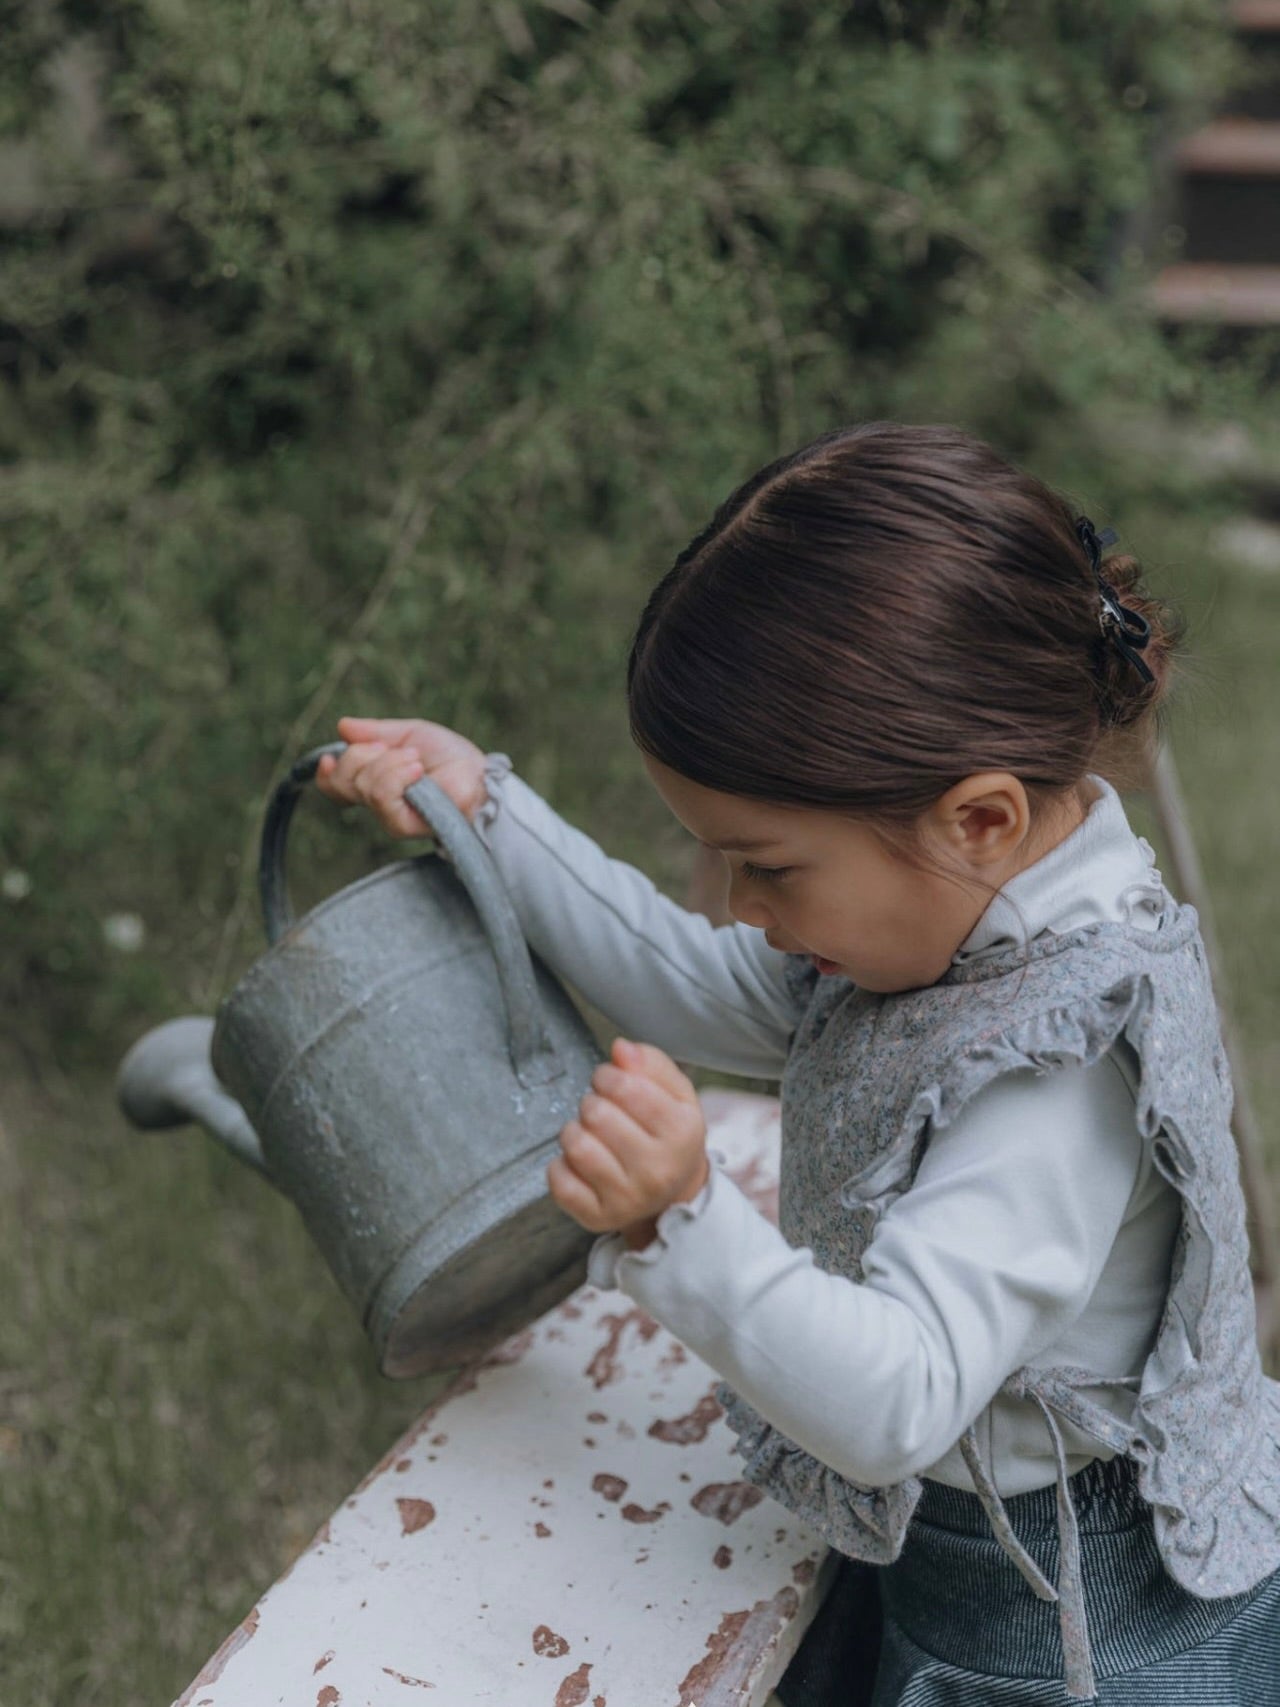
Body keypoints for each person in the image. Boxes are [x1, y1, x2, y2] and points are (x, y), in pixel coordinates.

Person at [314, 420, 1280, 1704]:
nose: (731, 902)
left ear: (976, 818)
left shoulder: (1056, 1071)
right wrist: (489, 818)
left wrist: (681, 1223)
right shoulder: (955, 919)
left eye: (765, 866)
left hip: (1058, 1629)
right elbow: (695, 982)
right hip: (954, 1549)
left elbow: (899, 1396)